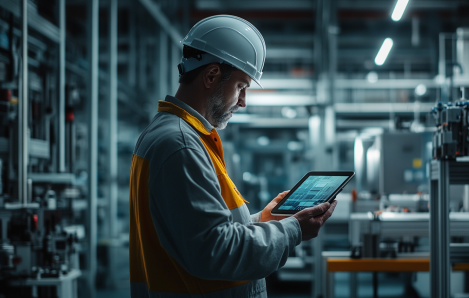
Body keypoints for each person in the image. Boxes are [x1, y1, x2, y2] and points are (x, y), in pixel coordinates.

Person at [129, 15, 338, 298]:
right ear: (211, 75)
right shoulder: (181, 145)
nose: (242, 101)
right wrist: (293, 230)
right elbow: (215, 251)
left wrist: (264, 220)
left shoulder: (178, 136)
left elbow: (201, 232)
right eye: (241, 87)